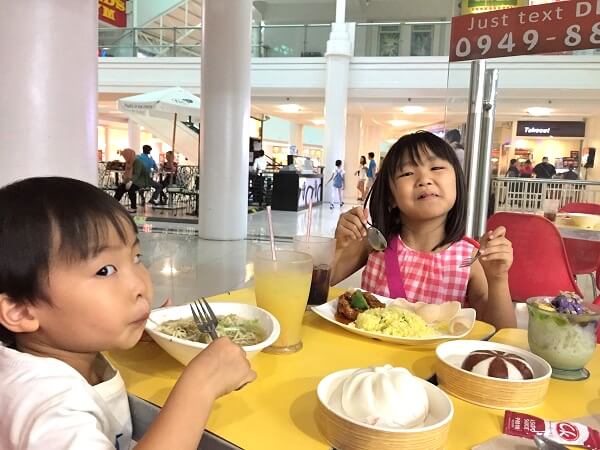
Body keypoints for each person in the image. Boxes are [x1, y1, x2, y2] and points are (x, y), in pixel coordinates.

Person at [0, 177, 255, 450]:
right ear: (20, 311)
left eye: (136, 257)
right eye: (105, 270)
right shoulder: (50, 409)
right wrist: (201, 385)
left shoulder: (50, 352)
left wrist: (125, 330)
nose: (140, 285)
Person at [331, 131, 516, 330]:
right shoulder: (375, 244)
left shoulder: (470, 259)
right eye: (408, 173)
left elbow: (500, 333)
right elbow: (315, 290)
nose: (424, 179)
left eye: (436, 167)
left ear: (457, 184)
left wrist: (498, 279)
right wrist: (339, 246)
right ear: (391, 196)